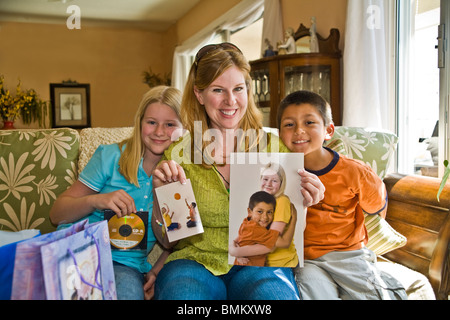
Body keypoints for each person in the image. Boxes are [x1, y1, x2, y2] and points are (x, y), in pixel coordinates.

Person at [151, 42, 324, 300]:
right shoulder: (179, 154)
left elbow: (289, 228)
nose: (230, 101)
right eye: (218, 90)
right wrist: (161, 198)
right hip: (195, 262)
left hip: (262, 263)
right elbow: (169, 241)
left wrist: (307, 200)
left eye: (238, 89)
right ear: (199, 95)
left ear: (248, 91)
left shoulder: (275, 148)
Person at [49, 86, 183, 300]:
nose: (159, 132)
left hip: (125, 267)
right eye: (151, 122)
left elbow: (175, 240)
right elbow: (56, 214)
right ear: (140, 123)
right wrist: (96, 200)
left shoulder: (180, 175)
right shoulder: (110, 157)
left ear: (183, 130)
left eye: (170, 124)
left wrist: (156, 270)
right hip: (76, 251)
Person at [277, 90, 407, 300]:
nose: (299, 130)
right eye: (289, 124)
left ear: (328, 130)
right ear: (280, 134)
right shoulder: (277, 172)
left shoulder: (355, 171)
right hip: (307, 260)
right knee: (313, 293)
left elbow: (376, 208)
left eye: (309, 122)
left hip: (350, 255)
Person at [228, 162, 299, 268]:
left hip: (280, 263)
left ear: (281, 183)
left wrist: (236, 251)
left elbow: (275, 243)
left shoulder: (281, 201)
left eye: (274, 180)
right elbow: (245, 235)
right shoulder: (263, 201)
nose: (268, 184)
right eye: (265, 179)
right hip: (260, 263)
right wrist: (235, 250)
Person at [231, 190, 297, 267]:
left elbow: (235, 241)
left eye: (269, 212)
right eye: (260, 211)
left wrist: (237, 253)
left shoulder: (246, 222)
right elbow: (285, 243)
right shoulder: (257, 230)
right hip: (251, 269)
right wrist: (294, 220)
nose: (265, 217)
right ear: (250, 211)